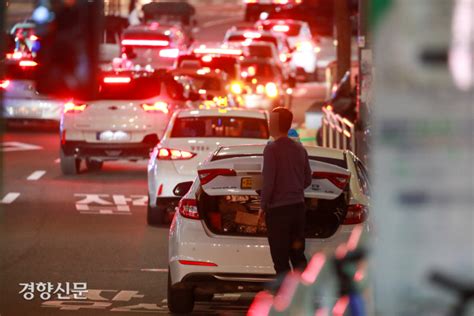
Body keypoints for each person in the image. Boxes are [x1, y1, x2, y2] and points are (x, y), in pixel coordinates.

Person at [261, 107, 312, 276]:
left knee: (280, 259)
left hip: (278, 212)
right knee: (298, 255)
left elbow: (268, 182)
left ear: (275, 124)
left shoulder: (271, 150)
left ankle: (285, 298)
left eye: (270, 121)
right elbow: (307, 180)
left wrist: (263, 206)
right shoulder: (300, 149)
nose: (269, 124)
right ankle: (303, 293)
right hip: (298, 210)